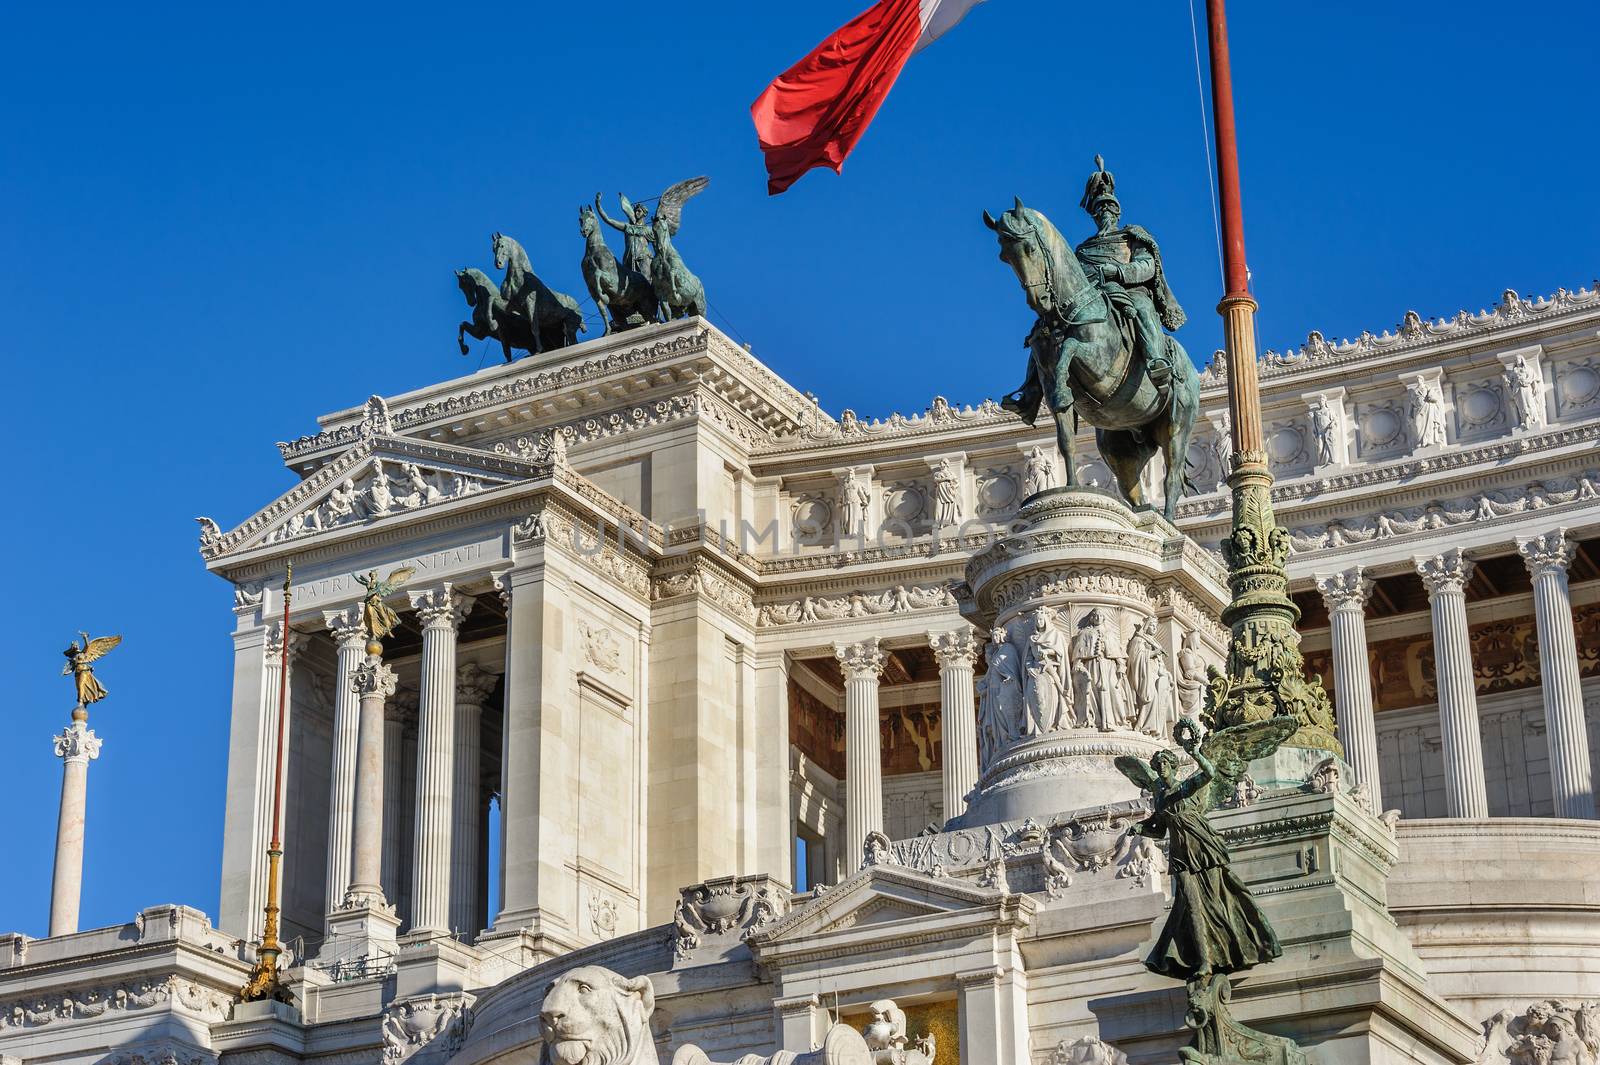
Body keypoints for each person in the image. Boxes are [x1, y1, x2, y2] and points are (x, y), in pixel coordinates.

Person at [1125, 726, 1282, 980]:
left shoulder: (1186, 787)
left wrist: (1195, 752)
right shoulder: (1161, 798)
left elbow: (1209, 773)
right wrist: (1140, 829)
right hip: (1180, 854)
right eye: (1158, 764)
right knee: (1189, 903)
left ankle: (1247, 943)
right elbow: (1160, 830)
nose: (1161, 767)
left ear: (1173, 767)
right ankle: (1202, 960)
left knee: (1222, 896)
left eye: (1165, 763)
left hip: (1203, 847)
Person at [1074, 156, 1186, 389]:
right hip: (1094, 296)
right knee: (1047, 329)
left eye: (1109, 207)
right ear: (1094, 215)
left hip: (1130, 292)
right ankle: (1032, 390)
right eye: (1100, 208)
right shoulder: (1083, 249)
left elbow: (1147, 266)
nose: (1104, 211)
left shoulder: (1132, 235)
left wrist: (1117, 271)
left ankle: (1156, 360)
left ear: (1117, 213)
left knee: (1143, 309)